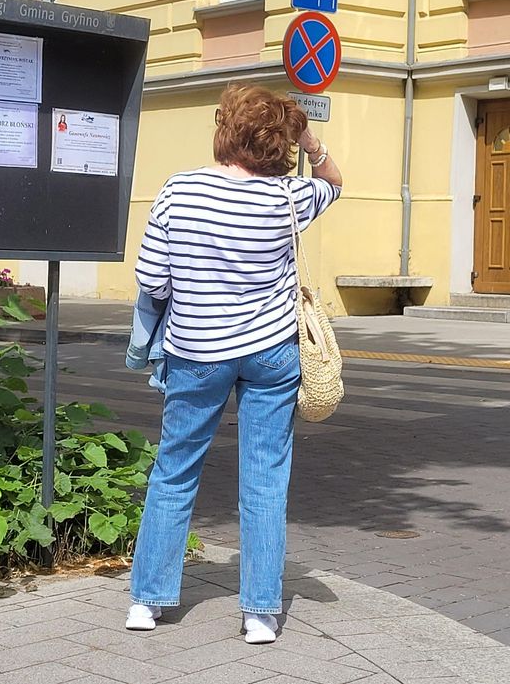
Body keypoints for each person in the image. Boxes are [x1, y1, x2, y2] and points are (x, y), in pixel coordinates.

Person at [126, 83, 343, 643]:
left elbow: (151, 280)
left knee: (175, 471)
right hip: (272, 352)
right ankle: (260, 613)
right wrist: (312, 142)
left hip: (197, 352)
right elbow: (335, 182)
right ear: (279, 143)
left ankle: (148, 603)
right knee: (266, 477)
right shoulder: (288, 197)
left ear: (225, 131)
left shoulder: (179, 191)